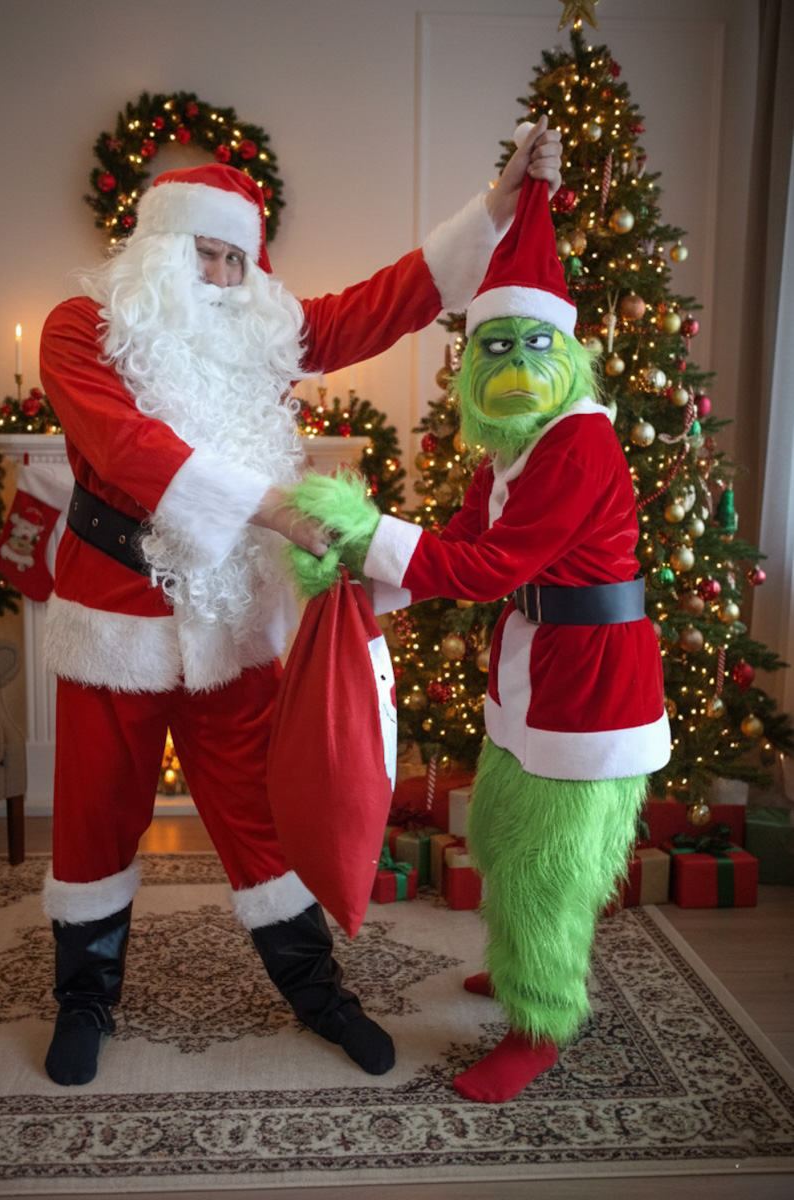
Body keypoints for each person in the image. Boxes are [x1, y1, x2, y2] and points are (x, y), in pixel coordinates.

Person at [37, 120, 563, 1088]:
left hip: (231, 624)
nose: (220, 277)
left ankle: (320, 994)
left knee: (260, 818)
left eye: (237, 259)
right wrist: (275, 507)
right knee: (93, 820)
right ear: (158, 248)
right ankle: (84, 999)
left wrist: (496, 208)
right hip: (114, 622)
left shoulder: (261, 334)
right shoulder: (81, 328)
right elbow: (124, 448)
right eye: (204, 252)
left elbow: (381, 305)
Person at [285, 127, 671, 1103]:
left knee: (548, 866)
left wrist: (366, 533)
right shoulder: (509, 446)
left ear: (566, 353)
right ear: (473, 358)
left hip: (590, 682)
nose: (516, 359)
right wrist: (362, 581)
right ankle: (514, 965)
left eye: (536, 343)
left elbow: (491, 566)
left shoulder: (577, 444)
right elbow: (460, 540)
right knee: (501, 832)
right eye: (497, 343)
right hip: (536, 666)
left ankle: (542, 1023)